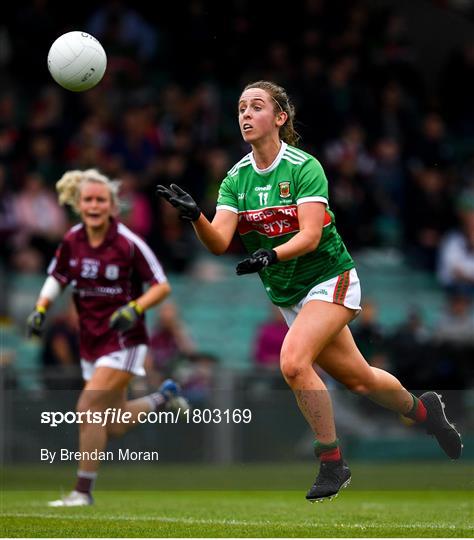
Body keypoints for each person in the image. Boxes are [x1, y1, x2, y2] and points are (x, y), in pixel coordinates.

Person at [157, 80, 462, 503]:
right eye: (241, 107)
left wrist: (268, 256)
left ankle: (331, 460)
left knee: (294, 363)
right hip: (290, 295)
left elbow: (312, 236)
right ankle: (427, 412)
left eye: (257, 106)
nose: (245, 114)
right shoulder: (235, 179)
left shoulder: (303, 166)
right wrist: (196, 218)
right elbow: (218, 241)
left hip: (330, 278)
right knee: (360, 380)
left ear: (280, 118)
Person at [26, 168, 189, 507]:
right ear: (79, 204)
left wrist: (133, 307)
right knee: (111, 426)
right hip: (90, 342)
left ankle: (82, 492)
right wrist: (41, 308)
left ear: (113, 206)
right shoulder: (73, 240)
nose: (95, 205)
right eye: (88, 200)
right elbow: (56, 277)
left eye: (101, 199)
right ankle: (164, 397)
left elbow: (162, 286)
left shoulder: (129, 244)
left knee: (87, 408)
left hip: (124, 340)